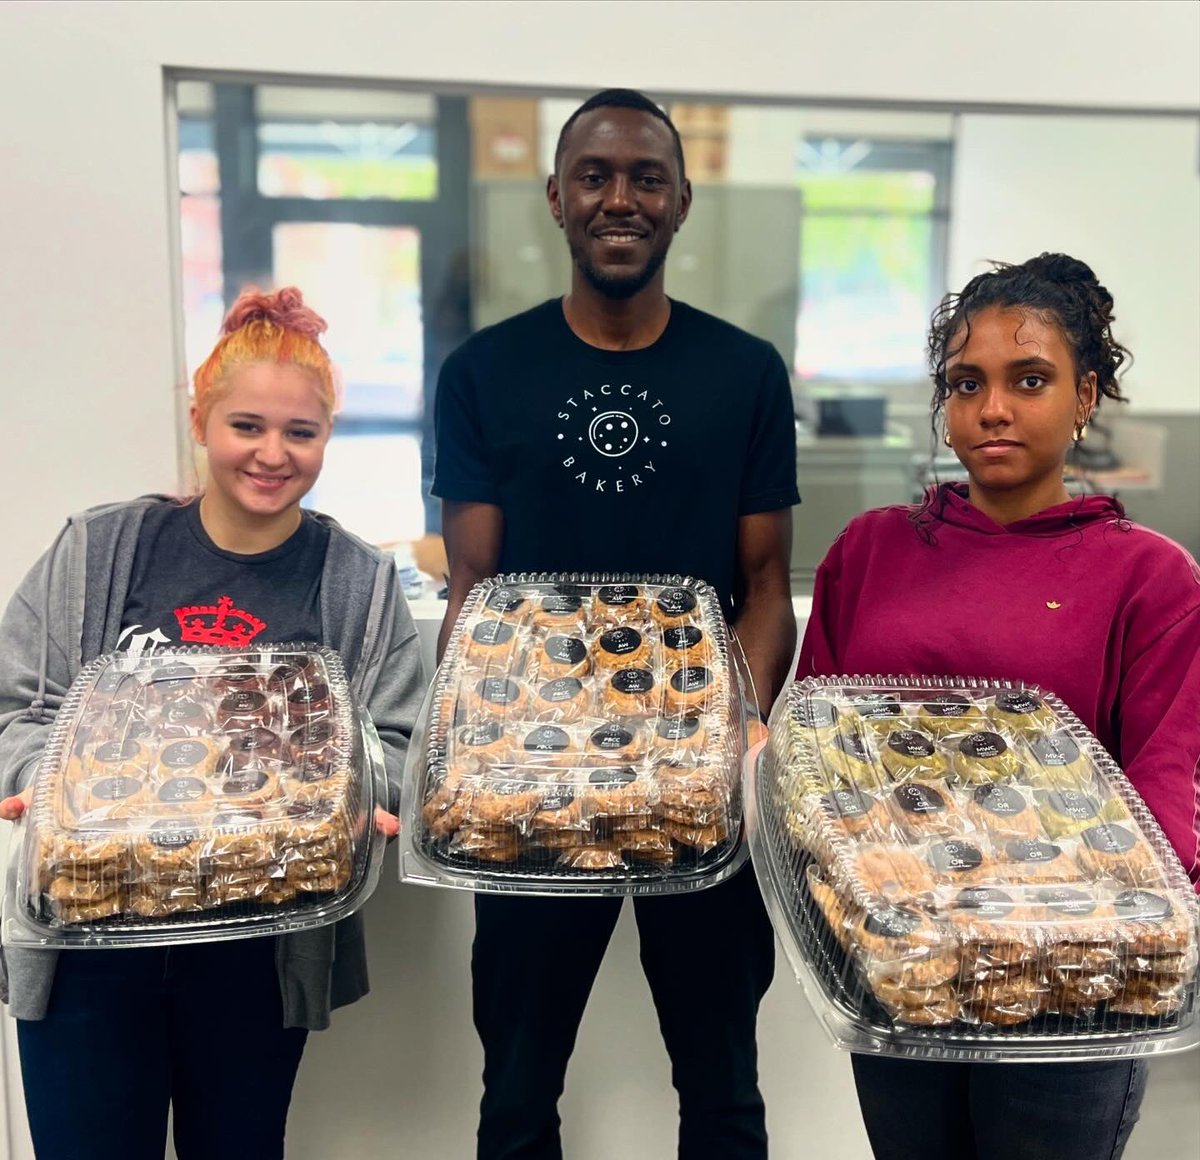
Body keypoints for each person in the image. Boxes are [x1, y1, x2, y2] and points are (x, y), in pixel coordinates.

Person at [432, 88, 800, 1159]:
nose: (620, 197)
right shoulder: (484, 375)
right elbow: (474, 588)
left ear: (681, 201)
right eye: (595, 175)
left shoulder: (744, 373)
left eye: (646, 177)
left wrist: (741, 728)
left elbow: (766, 584)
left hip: (698, 787)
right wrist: (468, 753)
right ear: (557, 196)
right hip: (534, 784)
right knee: (516, 1090)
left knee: (725, 1085)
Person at [0, 287, 426, 1160]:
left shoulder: (354, 579)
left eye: (299, 434)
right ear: (201, 420)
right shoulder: (103, 547)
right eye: (246, 426)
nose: (272, 454)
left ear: (326, 440)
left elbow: (394, 744)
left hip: (257, 947)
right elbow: (21, 705)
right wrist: (52, 792)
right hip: (89, 939)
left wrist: (351, 798)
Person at [797, 252, 1200, 1160]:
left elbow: (1162, 791)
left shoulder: (1150, 578)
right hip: (901, 963)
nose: (992, 410)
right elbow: (818, 764)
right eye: (965, 383)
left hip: (1067, 982)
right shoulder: (871, 551)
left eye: (1030, 380)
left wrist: (1132, 949)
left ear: (1086, 394)